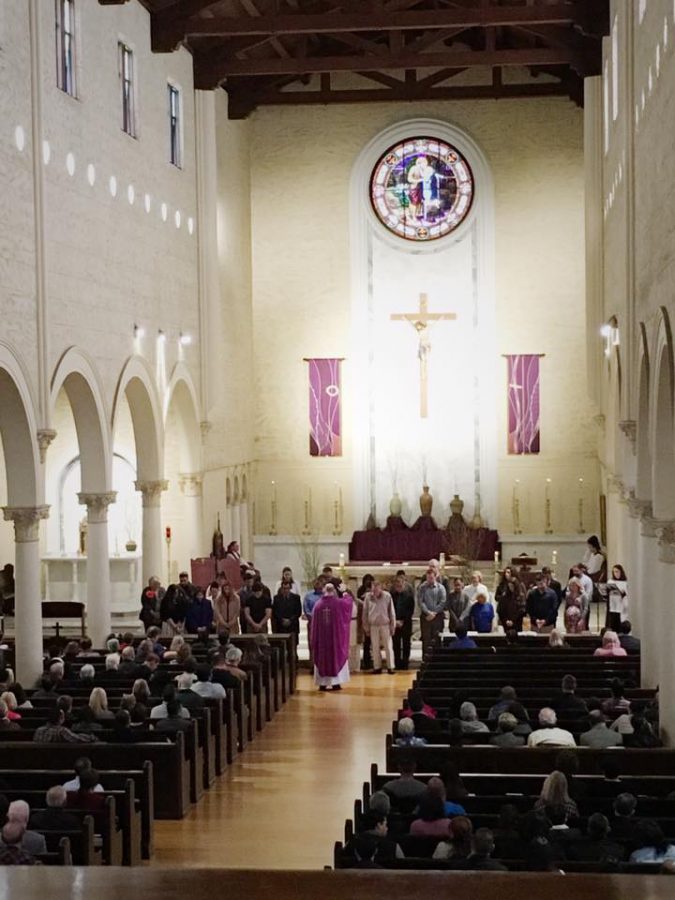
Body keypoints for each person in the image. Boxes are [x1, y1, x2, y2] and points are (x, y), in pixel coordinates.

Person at [310, 584, 352, 691]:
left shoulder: (318, 605)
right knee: (335, 656)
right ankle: (336, 683)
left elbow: (313, 625)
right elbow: (348, 602)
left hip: (322, 641)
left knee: (323, 658)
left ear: (324, 590)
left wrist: (313, 640)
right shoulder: (339, 603)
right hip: (335, 640)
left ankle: (322, 684)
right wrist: (345, 592)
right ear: (334, 591)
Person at [362, 582, 396, 674]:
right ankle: (377, 667)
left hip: (385, 624)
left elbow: (391, 612)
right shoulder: (368, 597)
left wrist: (393, 626)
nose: (375, 591)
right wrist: (366, 627)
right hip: (373, 625)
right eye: (373, 589)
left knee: (388, 646)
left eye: (376, 589)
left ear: (380, 588)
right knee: (375, 647)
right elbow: (365, 612)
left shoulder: (387, 596)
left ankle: (390, 666)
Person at [418, 568, 447, 655]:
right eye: (428, 578)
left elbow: (443, 602)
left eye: (431, 578)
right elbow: (420, 601)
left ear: (435, 577)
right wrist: (428, 612)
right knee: (426, 639)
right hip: (426, 617)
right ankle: (425, 661)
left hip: (437, 617)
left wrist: (434, 613)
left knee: (436, 639)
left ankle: (436, 661)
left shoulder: (441, 588)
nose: (429, 580)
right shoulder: (422, 587)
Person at [390, 574, 415, 670]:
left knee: (406, 643)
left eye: (400, 585)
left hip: (406, 623)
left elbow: (410, 610)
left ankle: (405, 663)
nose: (398, 587)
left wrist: (403, 620)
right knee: (395, 644)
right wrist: (395, 621)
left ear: (403, 584)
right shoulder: (391, 596)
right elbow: (391, 609)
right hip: (395, 623)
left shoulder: (409, 596)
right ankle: (396, 662)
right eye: (397, 586)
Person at [495, 567, 526, 631]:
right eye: (509, 586)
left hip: (517, 623)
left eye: (508, 572)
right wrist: (506, 620)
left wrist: (513, 621)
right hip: (505, 622)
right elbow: (500, 610)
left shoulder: (520, 595)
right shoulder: (504, 595)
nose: (511, 588)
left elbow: (522, 610)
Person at [602, 565, 628, 631]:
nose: (616, 573)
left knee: (619, 623)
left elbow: (626, 594)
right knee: (611, 623)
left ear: (621, 572)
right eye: (614, 572)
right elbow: (606, 593)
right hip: (612, 604)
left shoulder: (624, 582)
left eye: (617, 571)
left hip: (620, 605)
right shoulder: (610, 581)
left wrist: (623, 593)